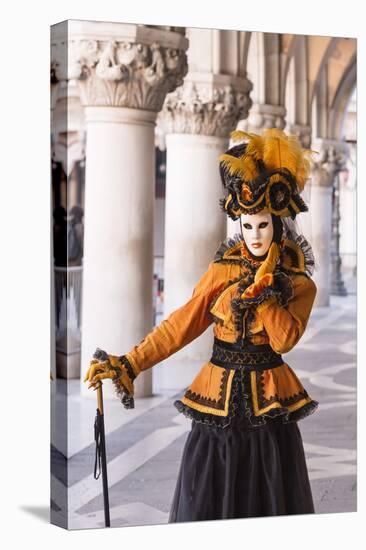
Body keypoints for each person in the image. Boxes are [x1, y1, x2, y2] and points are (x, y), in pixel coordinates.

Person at [84, 128, 319, 521]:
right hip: (217, 402)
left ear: (277, 223)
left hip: (270, 405)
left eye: (262, 225)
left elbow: (284, 340)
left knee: (269, 502)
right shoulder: (221, 272)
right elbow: (181, 324)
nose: (255, 235)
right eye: (247, 225)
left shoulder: (297, 283)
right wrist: (129, 362)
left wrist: (263, 296)